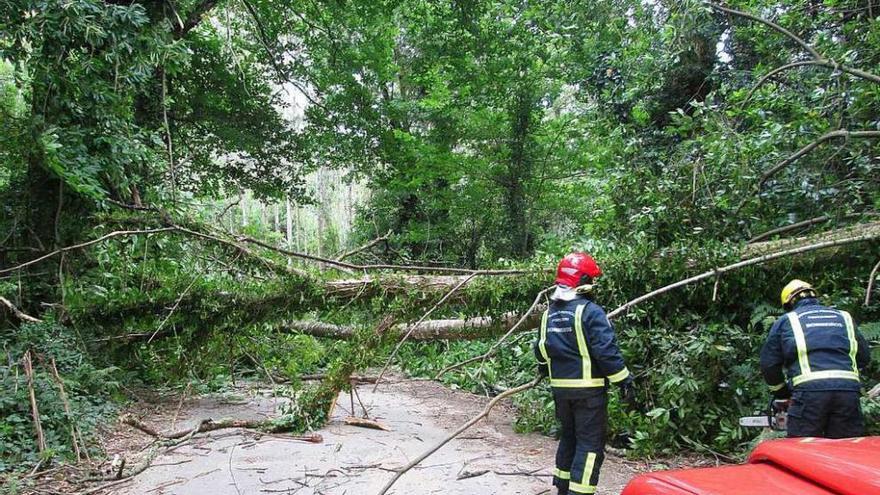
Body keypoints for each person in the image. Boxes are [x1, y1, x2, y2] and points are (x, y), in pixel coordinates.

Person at [534, 252, 636, 495]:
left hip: (560, 392)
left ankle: (562, 490)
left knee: (569, 439)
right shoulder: (590, 311)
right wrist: (624, 380)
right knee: (589, 447)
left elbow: (540, 352)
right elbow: (606, 352)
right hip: (589, 393)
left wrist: (546, 371)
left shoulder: (549, 314)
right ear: (582, 282)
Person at [760, 279, 871, 438]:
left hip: (809, 394)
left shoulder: (787, 320)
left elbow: (769, 364)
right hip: (847, 392)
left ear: (789, 304)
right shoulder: (844, 317)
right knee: (846, 449)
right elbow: (864, 357)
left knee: (804, 449)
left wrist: (782, 393)